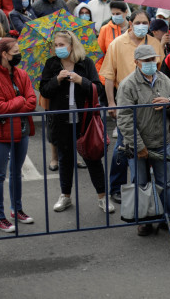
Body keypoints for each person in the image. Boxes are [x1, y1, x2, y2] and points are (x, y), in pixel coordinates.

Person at [116, 44, 170, 235]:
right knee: (141, 183)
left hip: (161, 141)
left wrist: (169, 102)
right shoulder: (128, 85)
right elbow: (124, 118)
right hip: (137, 144)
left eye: (153, 59)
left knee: (166, 183)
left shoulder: (164, 80)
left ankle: (168, 218)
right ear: (136, 62)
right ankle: (145, 220)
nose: (150, 63)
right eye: (146, 60)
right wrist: (138, 145)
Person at [40, 30, 115, 214]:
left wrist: (81, 80)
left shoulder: (86, 63)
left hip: (84, 119)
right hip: (61, 119)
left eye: (62, 45)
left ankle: (103, 197)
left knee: (92, 158)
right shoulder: (51, 64)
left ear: (71, 45)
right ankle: (65, 196)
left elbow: (98, 89)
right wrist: (57, 80)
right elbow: (44, 90)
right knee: (65, 159)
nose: (59, 48)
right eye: (56, 45)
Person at [100, 10, 165, 203]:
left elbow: (159, 73)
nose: (142, 26)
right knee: (124, 146)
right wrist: (111, 102)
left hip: (150, 104)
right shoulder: (117, 44)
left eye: (145, 22)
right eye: (138, 22)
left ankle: (146, 189)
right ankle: (116, 187)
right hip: (126, 101)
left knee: (147, 146)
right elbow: (109, 75)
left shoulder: (153, 43)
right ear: (130, 23)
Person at [0, 38, 37, 232]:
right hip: (2, 132)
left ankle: (17, 209)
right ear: (4, 54)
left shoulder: (22, 74)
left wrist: (16, 103)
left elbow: (32, 101)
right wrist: (20, 100)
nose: (18, 54)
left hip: (22, 129)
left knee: (16, 172)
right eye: (15, 51)